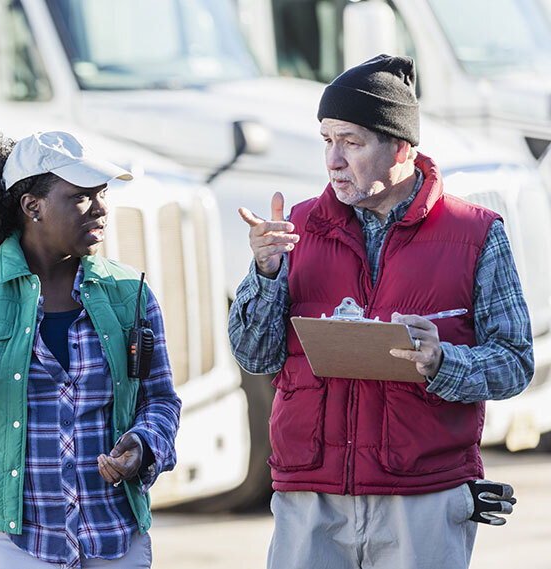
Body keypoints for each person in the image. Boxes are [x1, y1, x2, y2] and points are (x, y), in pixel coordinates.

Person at [228, 55, 532, 569]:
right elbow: (254, 356)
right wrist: (266, 274)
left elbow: (515, 362)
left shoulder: (477, 234)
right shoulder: (294, 229)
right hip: (310, 497)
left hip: (424, 501)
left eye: (351, 141)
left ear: (401, 147)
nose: (333, 160)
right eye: (327, 140)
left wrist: (443, 363)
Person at [0, 131, 182, 569]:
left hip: (111, 538)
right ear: (33, 206)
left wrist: (144, 446)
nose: (102, 208)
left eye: (102, 194)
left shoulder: (131, 293)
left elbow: (161, 401)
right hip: (5, 543)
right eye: (82, 197)